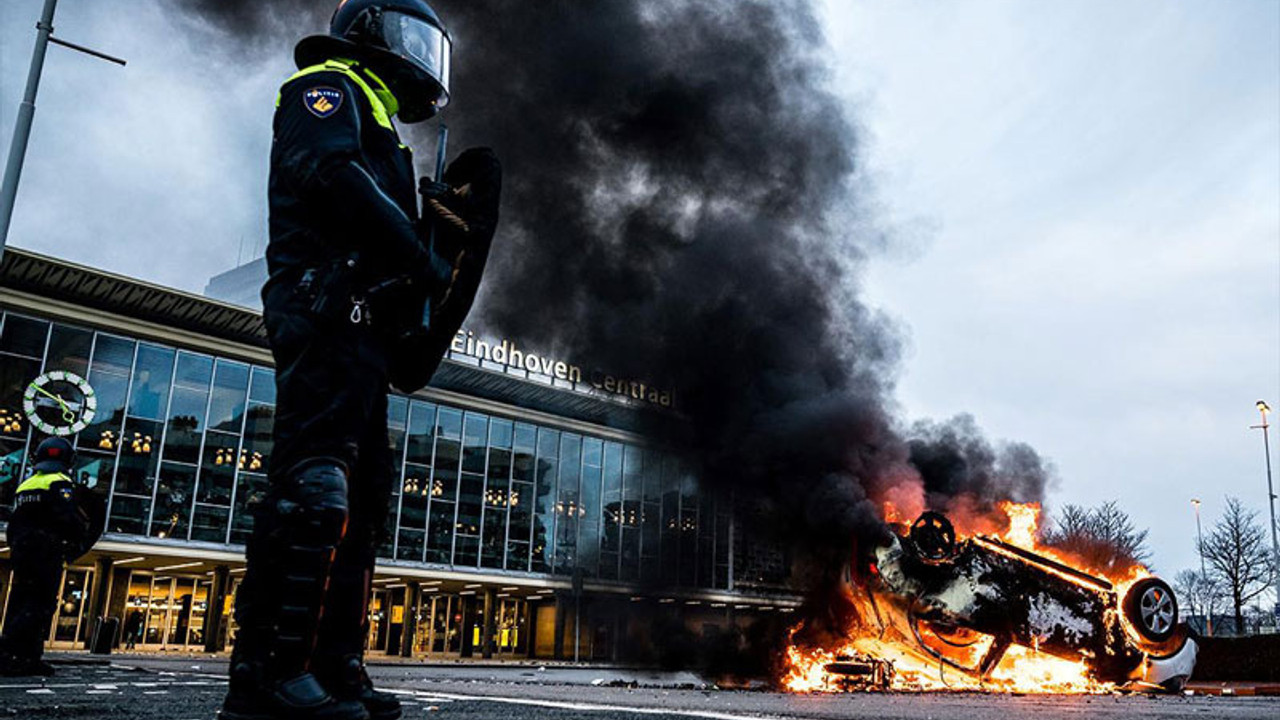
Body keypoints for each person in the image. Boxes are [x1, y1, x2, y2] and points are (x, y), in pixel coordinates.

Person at [221, 2, 500, 719]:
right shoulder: (327, 86)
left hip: (366, 332)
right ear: (371, 29)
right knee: (313, 490)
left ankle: (335, 666)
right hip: (322, 310)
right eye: (411, 38)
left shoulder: (381, 122)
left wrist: (441, 248)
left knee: (363, 503)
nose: (421, 57)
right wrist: (416, 246)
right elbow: (330, 174)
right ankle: (270, 678)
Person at [0, 437, 95, 677]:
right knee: (41, 604)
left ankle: (26, 658)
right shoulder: (60, 483)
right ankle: (10, 651)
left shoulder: (26, 485)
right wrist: (77, 540)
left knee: (21, 600)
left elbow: (15, 521)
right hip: (45, 549)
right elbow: (68, 518)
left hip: (22, 549)